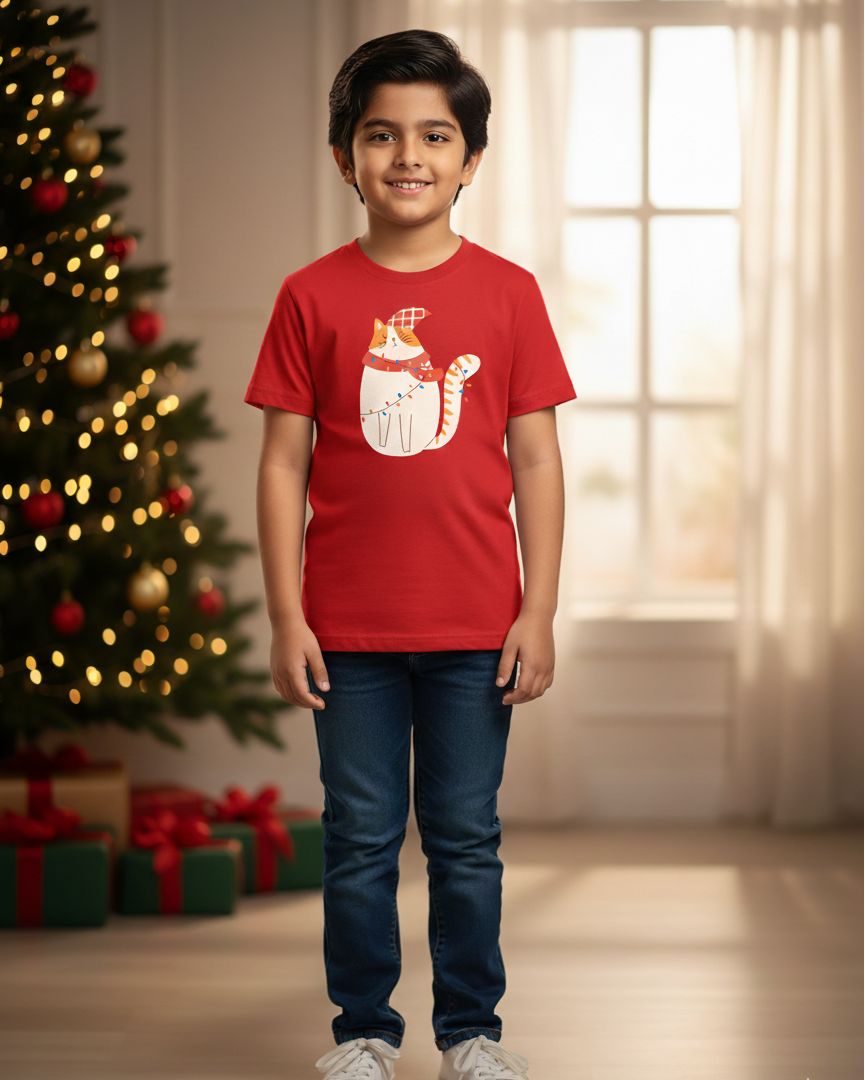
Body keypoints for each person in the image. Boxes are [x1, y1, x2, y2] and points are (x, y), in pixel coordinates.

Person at [245, 28, 576, 1080]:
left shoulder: (510, 294)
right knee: (357, 843)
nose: (407, 156)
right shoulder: (309, 295)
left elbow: (536, 462)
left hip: (477, 623)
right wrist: (286, 616)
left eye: (435, 135)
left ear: (471, 159)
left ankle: (471, 1031)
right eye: (381, 134)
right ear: (344, 156)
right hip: (346, 629)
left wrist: (538, 609)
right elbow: (279, 467)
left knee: (466, 843)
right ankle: (363, 1034)